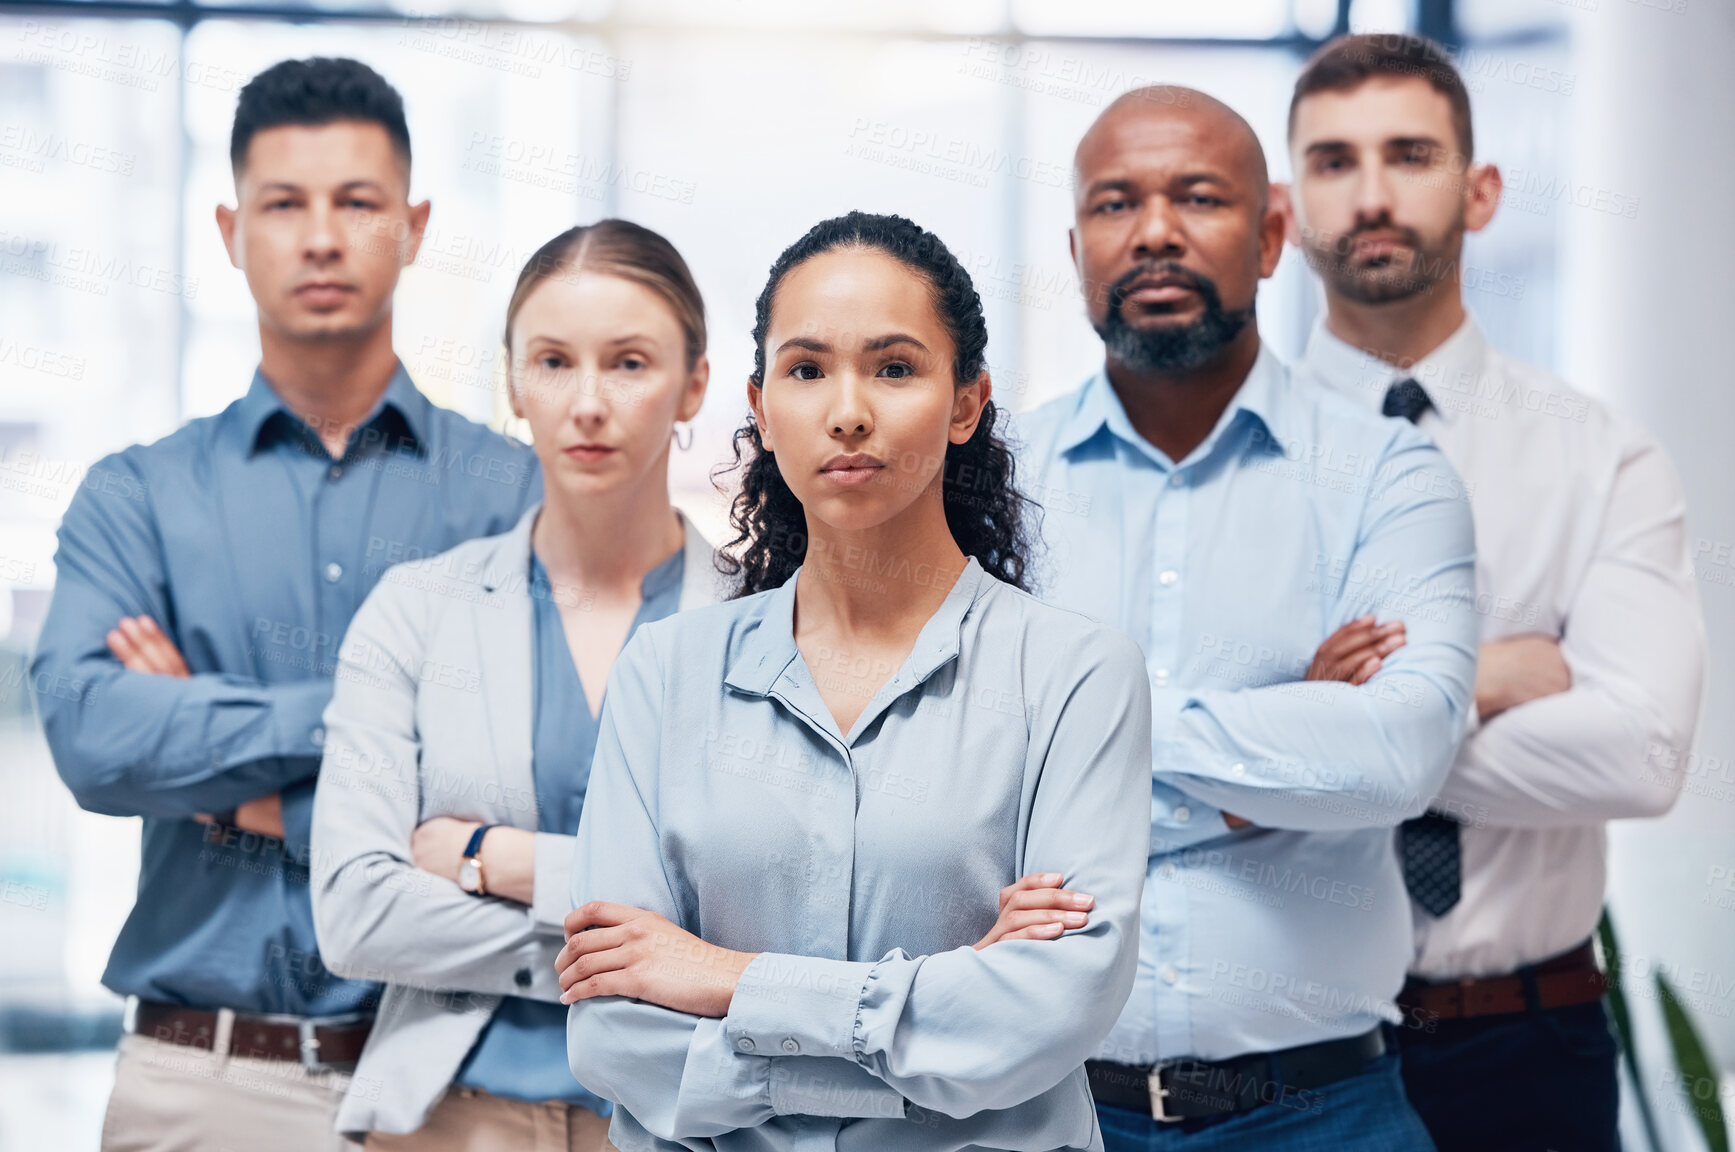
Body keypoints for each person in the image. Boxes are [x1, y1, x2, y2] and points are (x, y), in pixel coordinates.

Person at [552, 211, 1152, 1152]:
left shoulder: (1077, 675)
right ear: (759, 405)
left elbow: (1044, 1015)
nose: (847, 411)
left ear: (965, 403)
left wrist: (721, 977)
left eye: (895, 367)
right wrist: (936, 1009)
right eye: (806, 370)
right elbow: (615, 1034)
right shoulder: (665, 674)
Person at [28, 57, 540, 1151]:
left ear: (413, 225)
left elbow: (545, 783)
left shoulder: (519, 495)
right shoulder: (139, 496)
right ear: (228, 229)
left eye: (357, 203)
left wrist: (216, 774)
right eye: (283, 204)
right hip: (203, 1084)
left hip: (461, 1084)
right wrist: (390, 723)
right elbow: (94, 740)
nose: (320, 237)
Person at [1013, 86, 1479, 1150]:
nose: (1156, 233)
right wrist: (1275, 758)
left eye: (1199, 198)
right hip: (1041, 1114)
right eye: (1116, 204)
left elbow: (1399, 755)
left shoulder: (1386, 473)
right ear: (1078, 243)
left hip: (1325, 1117)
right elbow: (965, 796)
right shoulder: (990, 483)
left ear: (1270, 236)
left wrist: (1079, 731)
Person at [1285, 34, 1706, 1152]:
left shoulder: (1601, 456)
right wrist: (1498, 677)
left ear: (1480, 192)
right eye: (1333, 161)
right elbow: (1190, 752)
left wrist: (1339, 726)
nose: (1370, 194)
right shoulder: (1227, 460)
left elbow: (1640, 755)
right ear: (1286, 208)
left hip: (1533, 1046)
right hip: (1287, 1064)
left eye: (1409, 154)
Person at [310, 219, 722, 1152]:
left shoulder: (771, 622)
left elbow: (779, 919)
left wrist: (499, 862)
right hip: (454, 1121)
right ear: (512, 384)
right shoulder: (416, 611)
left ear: (692, 383)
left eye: (628, 363)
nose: (587, 403)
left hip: (692, 1121)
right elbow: (356, 912)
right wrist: (657, 952)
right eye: (552, 361)